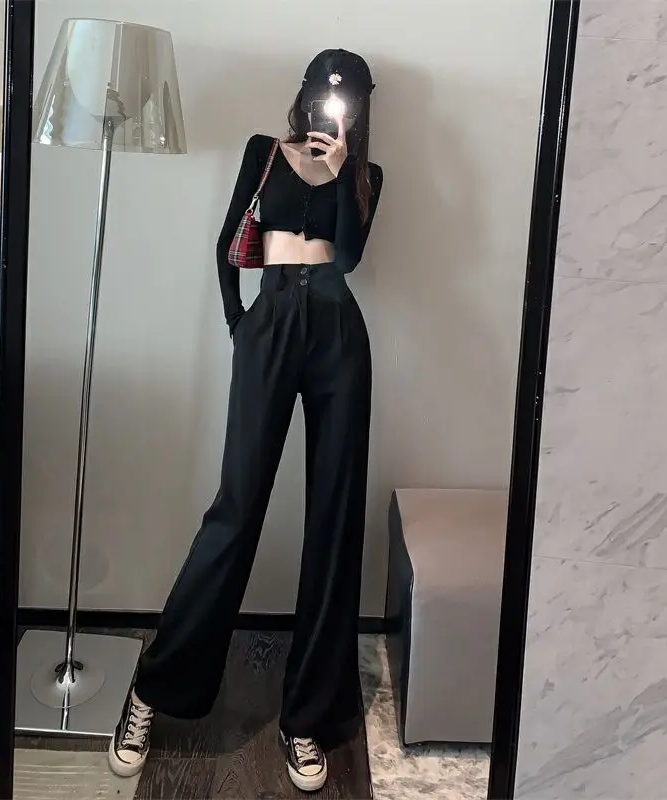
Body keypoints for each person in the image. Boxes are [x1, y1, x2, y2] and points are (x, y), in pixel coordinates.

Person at [107, 48, 383, 793]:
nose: (334, 110)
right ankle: (152, 689)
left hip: (339, 339)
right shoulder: (265, 153)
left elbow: (347, 261)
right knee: (235, 510)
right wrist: (242, 327)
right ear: (305, 97)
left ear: (361, 110)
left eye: (348, 102)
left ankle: (306, 717)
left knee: (334, 520)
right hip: (271, 324)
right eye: (325, 97)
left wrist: (339, 173)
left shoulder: (366, 177)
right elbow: (228, 244)